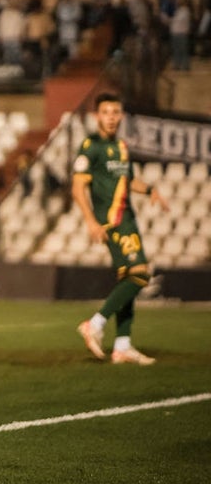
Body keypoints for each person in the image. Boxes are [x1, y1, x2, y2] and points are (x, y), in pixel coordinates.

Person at [74, 92, 169, 365]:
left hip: (129, 218)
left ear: (122, 116)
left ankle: (123, 345)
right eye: (106, 112)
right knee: (141, 274)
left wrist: (150, 189)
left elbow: (127, 181)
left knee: (128, 278)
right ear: (97, 116)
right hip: (113, 221)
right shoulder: (90, 147)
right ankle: (94, 324)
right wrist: (91, 221)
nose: (112, 118)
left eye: (116, 112)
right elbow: (78, 187)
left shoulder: (122, 147)